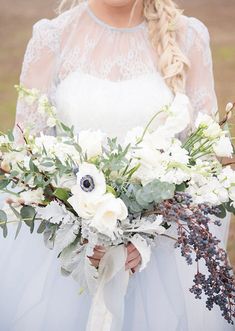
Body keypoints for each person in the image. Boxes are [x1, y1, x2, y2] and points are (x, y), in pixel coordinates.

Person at [0, 0, 233, 330]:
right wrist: (77, 231)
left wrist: (149, 237)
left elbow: (208, 166)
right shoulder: (51, 38)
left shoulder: (188, 37)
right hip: (68, 263)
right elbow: (26, 163)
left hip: (161, 260)